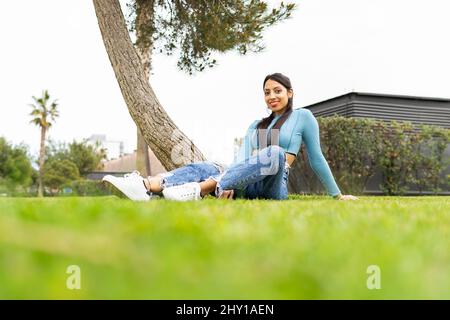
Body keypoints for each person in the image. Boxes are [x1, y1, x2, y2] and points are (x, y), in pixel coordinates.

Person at [102, 73, 358, 201]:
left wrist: (337, 195)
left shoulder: (303, 117)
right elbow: (242, 159)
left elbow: (316, 158)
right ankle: (146, 187)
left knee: (276, 154)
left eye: (277, 91)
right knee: (208, 165)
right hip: (247, 183)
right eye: (267, 92)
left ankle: (203, 189)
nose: (272, 96)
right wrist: (232, 182)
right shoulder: (257, 125)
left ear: (290, 93)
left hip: (274, 185)